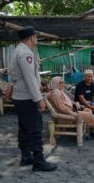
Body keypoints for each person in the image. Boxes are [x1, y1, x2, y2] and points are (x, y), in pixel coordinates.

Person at [10, 26, 57, 172]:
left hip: (20, 97)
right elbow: (29, 78)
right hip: (27, 97)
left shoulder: (18, 50)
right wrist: (38, 99)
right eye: (36, 36)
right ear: (32, 37)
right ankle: (39, 161)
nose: (36, 38)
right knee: (35, 128)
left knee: (24, 128)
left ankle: (25, 156)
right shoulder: (25, 53)